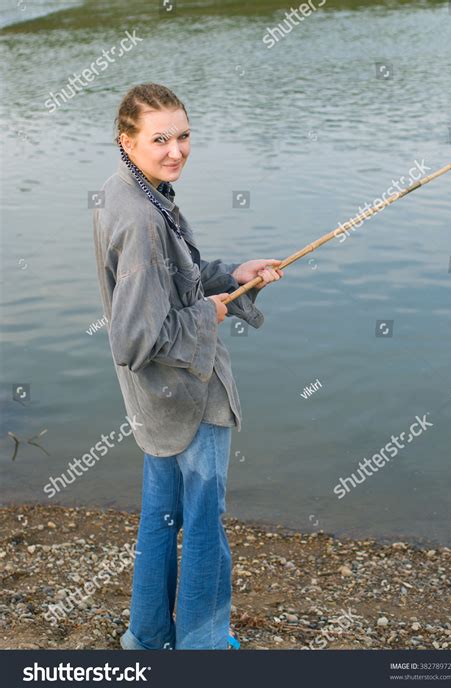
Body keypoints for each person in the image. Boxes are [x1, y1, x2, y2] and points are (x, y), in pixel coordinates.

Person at [92, 83, 283, 650]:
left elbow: (175, 286)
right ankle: (203, 647)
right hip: (190, 397)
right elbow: (133, 339)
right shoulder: (142, 220)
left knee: (161, 518)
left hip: (154, 402)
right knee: (203, 525)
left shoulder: (130, 190)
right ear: (127, 139)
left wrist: (231, 276)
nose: (175, 150)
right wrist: (210, 314)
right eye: (159, 139)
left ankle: (148, 639)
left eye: (183, 136)